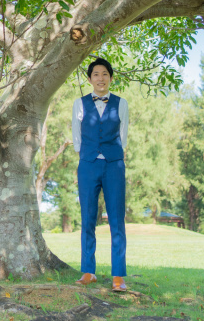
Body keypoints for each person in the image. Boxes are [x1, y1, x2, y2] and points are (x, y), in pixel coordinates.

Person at [71, 58, 128, 291]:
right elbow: (77, 136)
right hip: (88, 164)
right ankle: (88, 271)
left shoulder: (121, 103)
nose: (101, 78)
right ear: (89, 79)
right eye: (96, 74)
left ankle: (118, 276)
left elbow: (123, 135)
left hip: (114, 165)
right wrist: (88, 155)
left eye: (105, 74)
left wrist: (111, 154)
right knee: (88, 218)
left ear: (111, 78)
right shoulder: (80, 103)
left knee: (117, 220)